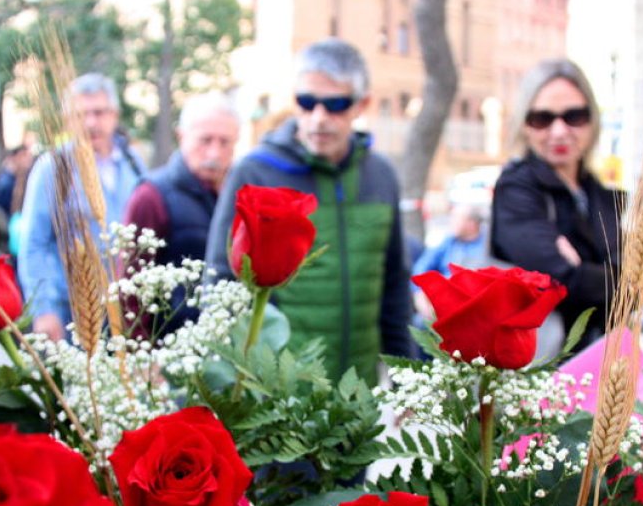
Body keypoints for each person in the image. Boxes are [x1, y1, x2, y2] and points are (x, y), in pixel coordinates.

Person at [205, 38, 413, 383]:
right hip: (278, 393)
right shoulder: (255, 172)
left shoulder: (381, 174)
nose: (319, 118)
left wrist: (404, 370)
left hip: (357, 391)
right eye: (307, 102)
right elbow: (221, 278)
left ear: (362, 104)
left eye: (335, 104)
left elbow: (393, 282)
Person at [490, 58, 623, 350]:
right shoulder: (517, 188)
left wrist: (584, 272)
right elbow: (559, 281)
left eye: (574, 116)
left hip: (600, 361)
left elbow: (639, 283)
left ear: (593, 120)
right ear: (524, 125)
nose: (560, 131)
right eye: (542, 118)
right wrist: (612, 278)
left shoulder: (598, 192)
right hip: (540, 368)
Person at [19, 73, 146, 342]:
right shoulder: (53, 168)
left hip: (128, 309)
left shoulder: (133, 163)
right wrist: (44, 309)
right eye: (81, 115)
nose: (91, 123)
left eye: (99, 113)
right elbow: (34, 244)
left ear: (114, 115)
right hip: (73, 313)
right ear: (68, 120)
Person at [126, 91, 239, 336]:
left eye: (225, 142)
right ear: (182, 136)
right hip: (168, 353)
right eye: (205, 140)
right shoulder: (151, 196)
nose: (214, 153)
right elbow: (131, 291)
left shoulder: (239, 196)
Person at [411, 203, 490, 322]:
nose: (451, 222)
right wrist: (419, 294)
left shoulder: (487, 246)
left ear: (471, 223)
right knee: (417, 323)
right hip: (437, 305)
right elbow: (421, 267)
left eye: (456, 218)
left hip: (473, 309)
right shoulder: (449, 241)